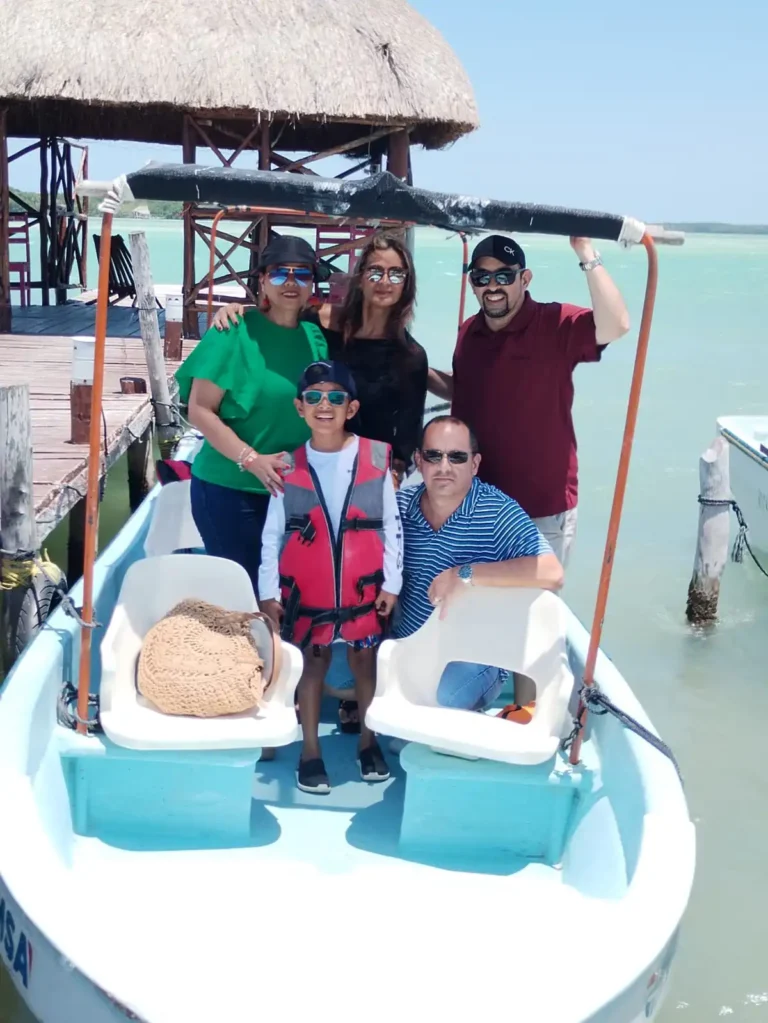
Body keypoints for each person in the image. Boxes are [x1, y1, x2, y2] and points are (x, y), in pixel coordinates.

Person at [428, 235, 630, 567]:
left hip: (539, 511)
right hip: (474, 506)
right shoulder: (469, 331)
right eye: (482, 277)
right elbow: (465, 391)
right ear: (472, 285)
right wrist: (416, 369)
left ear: (525, 279)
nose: (493, 285)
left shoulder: (554, 323)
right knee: (476, 609)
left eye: (504, 276)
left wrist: (586, 254)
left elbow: (616, 325)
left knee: (536, 615)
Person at [258, 360, 403, 795]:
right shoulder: (286, 466)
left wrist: (392, 583)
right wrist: (267, 591)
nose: (326, 406)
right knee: (312, 665)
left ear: (352, 407)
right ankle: (310, 751)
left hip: (365, 590)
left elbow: (392, 525)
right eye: (315, 398)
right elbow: (272, 535)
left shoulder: (375, 458)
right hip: (309, 593)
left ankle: (368, 740)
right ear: (299, 407)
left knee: (365, 663)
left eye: (336, 398)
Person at [175, 236, 328, 595]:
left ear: (312, 285)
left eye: (302, 274)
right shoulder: (232, 331)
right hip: (230, 489)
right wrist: (252, 459)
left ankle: (279, 652)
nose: (291, 283)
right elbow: (199, 409)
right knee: (244, 596)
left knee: (286, 594)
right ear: (262, 281)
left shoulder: (315, 337)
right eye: (279, 274)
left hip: (293, 491)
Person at [212, 233, 428, 487]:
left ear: (406, 283)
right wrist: (238, 311)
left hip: (367, 472)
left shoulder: (410, 357)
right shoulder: (320, 323)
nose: (385, 281)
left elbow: (406, 437)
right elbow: (277, 320)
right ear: (360, 278)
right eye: (375, 271)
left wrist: (391, 477)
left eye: (396, 274)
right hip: (306, 462)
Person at [393, 415, 563, 717]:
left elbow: (551, 572)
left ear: (474, 464)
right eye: (434, 455)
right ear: (419, 460)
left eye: (457, 457)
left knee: (442, 698)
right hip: (413, 643)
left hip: (476, 654)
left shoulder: (497, 510)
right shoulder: (400, 505)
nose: (444, 467)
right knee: (338, 675)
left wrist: (464, 574)